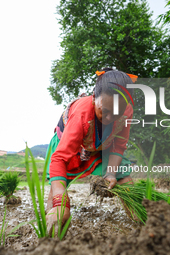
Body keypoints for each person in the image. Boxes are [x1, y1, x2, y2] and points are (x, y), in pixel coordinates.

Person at [45, 68, 137, 233]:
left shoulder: (127, 111)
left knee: (126, 182)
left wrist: (110, 174)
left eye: (117, 113)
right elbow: (59, 159)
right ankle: (50, 235)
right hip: (69, 147)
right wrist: (61, 203)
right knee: (58, 197)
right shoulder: (82, 115)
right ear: (94, 98)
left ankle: (143, 224)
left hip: (102, 145)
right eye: (105, 111)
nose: (109, 119)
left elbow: (119, 145)